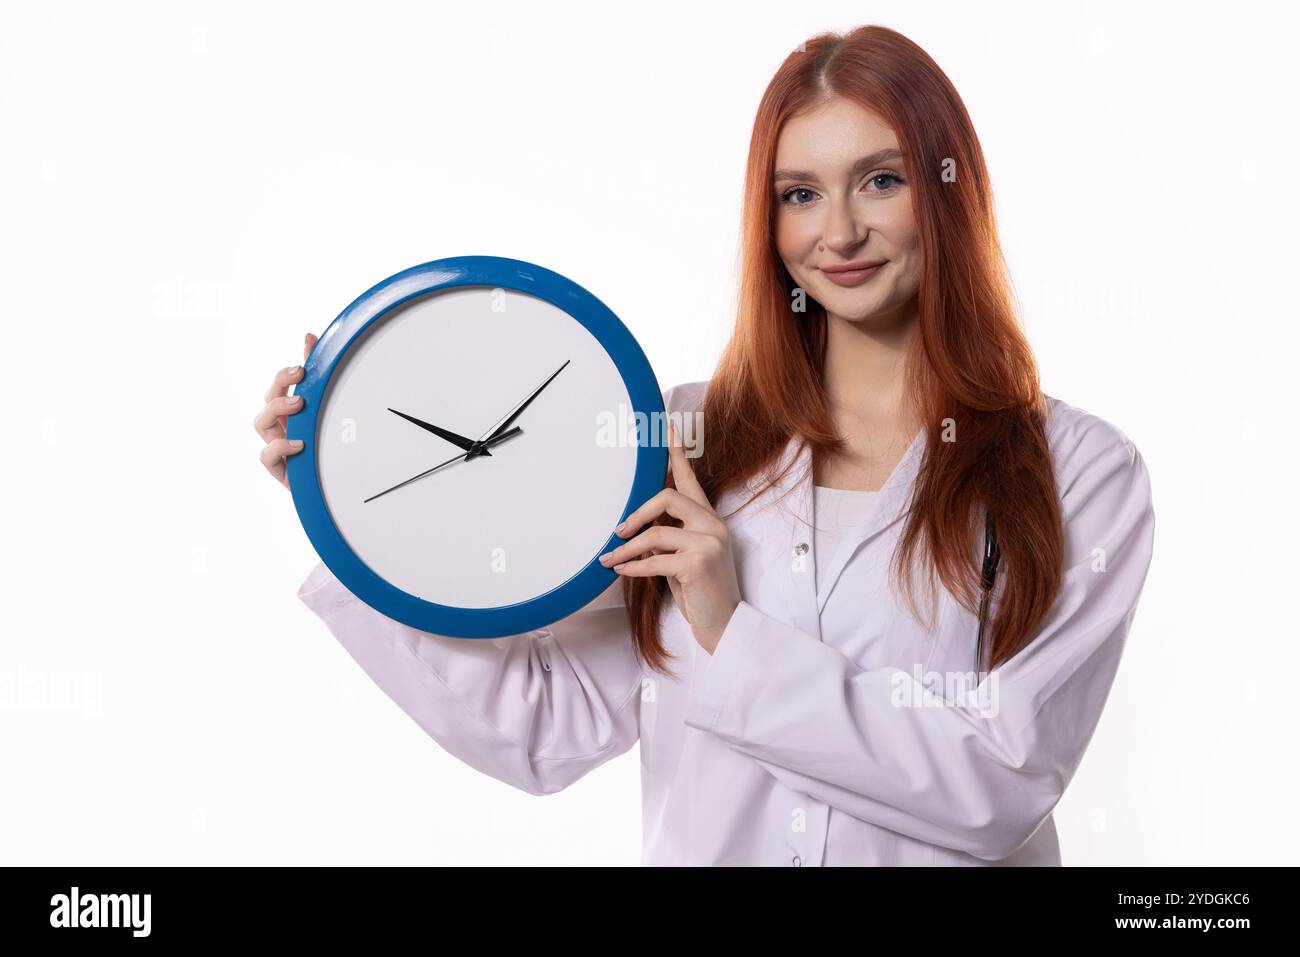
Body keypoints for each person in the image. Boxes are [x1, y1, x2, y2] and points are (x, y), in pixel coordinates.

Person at [252, 25, 1155, 866]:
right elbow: (548, 723)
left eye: (881, 180)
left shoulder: (1077, 472)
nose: (837, 232)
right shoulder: (682, 440)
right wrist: (348, 510)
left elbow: (1002, 779)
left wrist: (732, 631)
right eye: (800, 194)